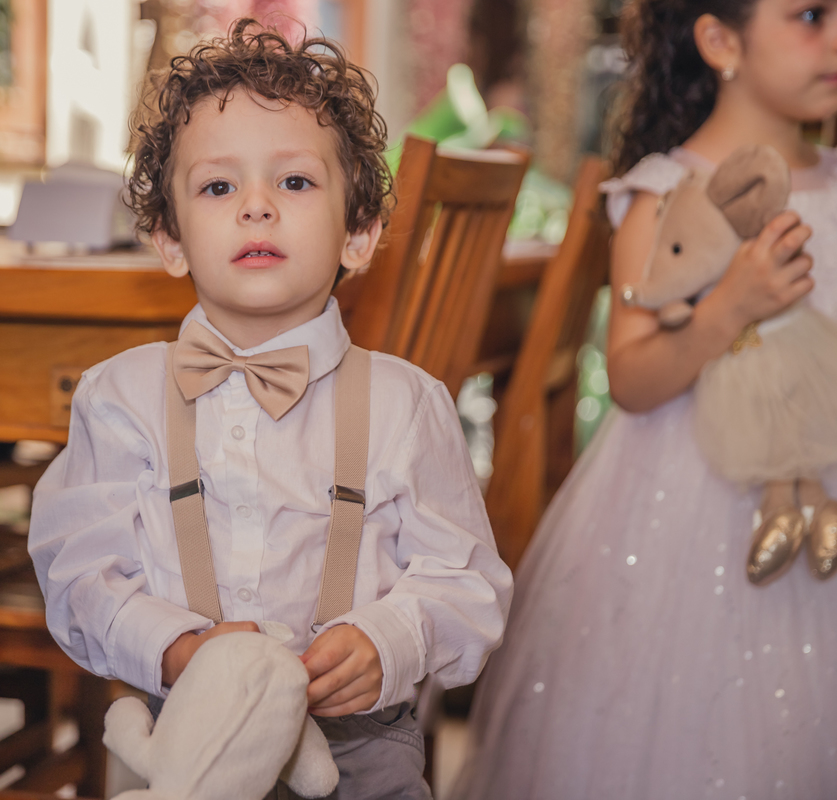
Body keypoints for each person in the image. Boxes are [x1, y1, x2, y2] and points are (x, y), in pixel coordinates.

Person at [28, 20, 513, 799]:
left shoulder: (406, 404)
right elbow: (77, 571)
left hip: (362, 754)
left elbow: (470, 584)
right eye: (219, 187)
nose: (257, 207)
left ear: (359, 233)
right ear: (169, 239)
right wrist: (177, 647)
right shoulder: (119, 398)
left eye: (293, 182)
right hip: (185, 742)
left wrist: (387, 640)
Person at [450, 0, 837, 798]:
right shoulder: (663, 193)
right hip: (694, 505)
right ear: (721, 40)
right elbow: (631, 377)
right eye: (811, 15)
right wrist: (732, 306)